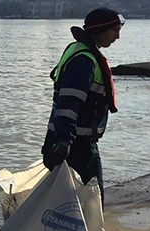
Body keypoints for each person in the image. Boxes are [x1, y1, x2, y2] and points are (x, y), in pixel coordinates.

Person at [42, 7, 124, 206]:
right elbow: (69, 103)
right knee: (91, 201)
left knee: (65, 202)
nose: (117, 36)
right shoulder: (85, 61)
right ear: (100, 30)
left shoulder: (78, 51)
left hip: (65, 139)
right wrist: (64, 142)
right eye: (114, 30)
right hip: (76, 145)